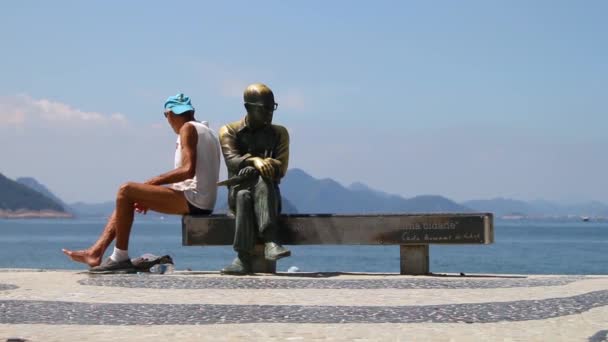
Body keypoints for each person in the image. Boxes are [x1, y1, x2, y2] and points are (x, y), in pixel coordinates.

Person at [62, 93, 221, 273]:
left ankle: (119, 258)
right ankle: (96, 252)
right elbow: (195, 176)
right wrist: (149, 195)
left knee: (126, 190)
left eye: (167, 117)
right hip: (202, 200)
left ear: (169, 114)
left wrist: (152, 183)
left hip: (195, 200)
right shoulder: (207, 130)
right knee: (129, 196)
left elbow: (187, 170)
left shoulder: (187, 128)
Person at [218, 83, 291, 275]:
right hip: (236, 193)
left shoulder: (279, 133)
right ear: (248, 107)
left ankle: (243, 257)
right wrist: (255, 161)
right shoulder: (228, 131)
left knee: (257, 185)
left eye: (272, 107)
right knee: (242, 194)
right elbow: (231, 160)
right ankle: (271, 240)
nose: (269, 113)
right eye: (264, 108)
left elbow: (281, 168)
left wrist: (266, 165)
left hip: (269, 197)